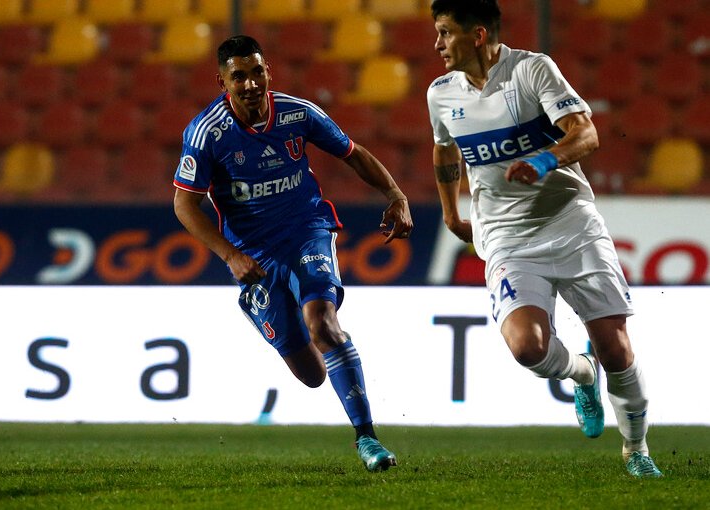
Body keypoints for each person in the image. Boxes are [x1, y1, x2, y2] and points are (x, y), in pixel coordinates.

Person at [424, 0, 661, 478]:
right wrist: (451, 213)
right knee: (527, 348)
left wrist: (544, 159)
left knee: (616, 347)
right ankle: (581, 373)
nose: (437, 44)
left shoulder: (532, 71)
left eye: (446, 33)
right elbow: (444, 148)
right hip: (505, 235)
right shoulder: (440, 93)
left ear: (477, 36)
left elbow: (586, 134)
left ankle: (636, 449)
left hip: (569, 221)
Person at [173, 35, 413, 472]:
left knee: (322, 321)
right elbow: (184, 203)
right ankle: (289, 323)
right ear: (222, 80)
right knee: (312, 375)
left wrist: (394, 193)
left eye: (256, 72)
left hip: (307, 231)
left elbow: (352, 153)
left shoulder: (298, 113)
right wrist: (230, 256)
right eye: (238, 76)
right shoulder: (207, 133)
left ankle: (368, 439)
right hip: (254, 255)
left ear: (268, 72)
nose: (250, 84)